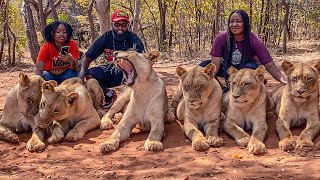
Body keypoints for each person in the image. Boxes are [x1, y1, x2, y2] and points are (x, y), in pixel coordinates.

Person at [200, 9, 286, 91]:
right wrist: (217, 86)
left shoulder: (255, 41)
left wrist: (282, 80)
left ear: (245, 23)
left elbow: (270, 65)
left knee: (250, 68)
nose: (234, 24)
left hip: (246, 67)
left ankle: (244, 90)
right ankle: (222, 89)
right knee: (204, 66)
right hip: (227, 66)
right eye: (231, 21)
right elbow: (215, 65)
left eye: (238, 21)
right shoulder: (221, 38)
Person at [78, 9, 144, 110]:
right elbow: (87, 57)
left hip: (128, 72)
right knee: (90, 74)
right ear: (112, 24)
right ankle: (108, 94)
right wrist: (81, 75)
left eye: (124, 25)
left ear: (128, 26)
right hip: (111, 68)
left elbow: (142, 58)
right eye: (117, 24)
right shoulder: (106, 37)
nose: (120, 28)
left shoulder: (133, 38)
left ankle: (132, 97)